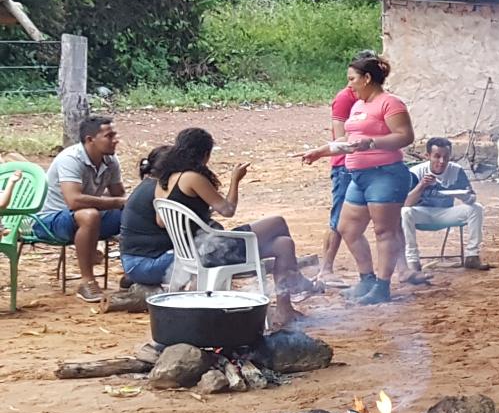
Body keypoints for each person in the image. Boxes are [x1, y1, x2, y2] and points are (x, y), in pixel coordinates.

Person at [155, 127, 309, 325]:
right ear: (204, 154)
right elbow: (227, 210)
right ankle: (295, 278)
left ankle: (285, 309)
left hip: (191, 251)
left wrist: (197, 216)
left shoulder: (164, 180)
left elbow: (161, 221)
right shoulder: (192, 177)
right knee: (278, 222)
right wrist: (235, 180)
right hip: (211, 251)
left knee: (284, 244)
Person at [300, 54, 415, 304]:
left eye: (352, 79)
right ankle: (367, 279)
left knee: (384, 231)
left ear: (367, 78)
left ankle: (383, 287)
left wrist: (372, 142)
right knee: (347, 228)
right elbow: (348, 140)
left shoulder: (390, 104)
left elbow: (405, 136)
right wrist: (321, 151)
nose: (349, 84)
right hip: (359, 176)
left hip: (385, 174)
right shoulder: (358, 106)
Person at [31, 116, 125, 301]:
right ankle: (87, 282)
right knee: (89, 215)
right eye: (109, 135)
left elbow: (119, 194)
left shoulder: (111, 160)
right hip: (51, 220)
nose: (116, 139)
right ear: (90, 139)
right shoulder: (71, 158)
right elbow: (74, 201)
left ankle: (133, 276)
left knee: (134, 213)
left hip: (90, 217)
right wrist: (116, 203)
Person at [313, 48, 375, 291]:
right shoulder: (345, 98)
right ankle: (325, 269)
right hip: (346, 166)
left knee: (383, 218)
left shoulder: (374, 98)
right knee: (340, 218)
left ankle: (401, 268)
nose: (351, 84)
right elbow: (340, 139)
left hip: (367, 165)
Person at [401, 137, 490, 282]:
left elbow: (471, 197)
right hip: (422, 212)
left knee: (476, 208)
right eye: (437, 156)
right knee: (405, 212)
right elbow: (406, 203)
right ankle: (413, 261)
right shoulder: (416, 172)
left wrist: (465, 196)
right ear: (428, 156)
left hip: (445, 212)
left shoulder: (456, 170)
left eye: (445, 157)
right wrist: (422, 185)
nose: (441, 161)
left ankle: (472, 256)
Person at [117, 147, 174, 287]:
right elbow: (164, 223)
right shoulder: (160, 189)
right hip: (145, 266)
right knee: (205, 253)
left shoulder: (147, 185)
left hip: (134, 264)